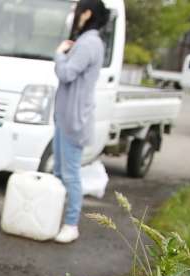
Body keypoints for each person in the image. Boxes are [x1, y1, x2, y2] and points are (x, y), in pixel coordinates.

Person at [52, 0, 109, 244]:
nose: (73, 15)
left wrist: (59, 54)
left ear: (87, 13)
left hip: (74, 120)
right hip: (67, 117)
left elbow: (66, 73)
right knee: (59, 172)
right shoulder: (87, 41)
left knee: (70, 174)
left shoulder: (90, 43)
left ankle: (72, 223)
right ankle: (57, 218)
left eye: (77, 10)